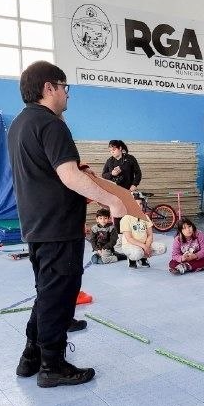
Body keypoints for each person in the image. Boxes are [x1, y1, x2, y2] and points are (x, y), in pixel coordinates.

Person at [8, 61, 127, 388]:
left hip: (36, 225)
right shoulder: (51, 124)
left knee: (46, 293)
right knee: (59, 296)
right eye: (64, 87)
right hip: (58, 228)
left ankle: (31, 356)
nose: (67, 94)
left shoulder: (19, 125)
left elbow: (47, 174)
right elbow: (69, 176)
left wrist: (77, 177)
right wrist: (112, 200)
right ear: (49, 87)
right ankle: (53, 365)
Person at [118, 192, 167, 268]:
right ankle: (131, 259)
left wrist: (147, 246)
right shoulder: (126, 219)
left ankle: (143, 258)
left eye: (140, 204)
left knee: (162, 248)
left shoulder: (145, 217)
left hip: (144, 244)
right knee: (138, 253)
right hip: (130, 245)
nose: (138, 206)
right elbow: (129, 238)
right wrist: (144, 247)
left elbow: (150, 235)